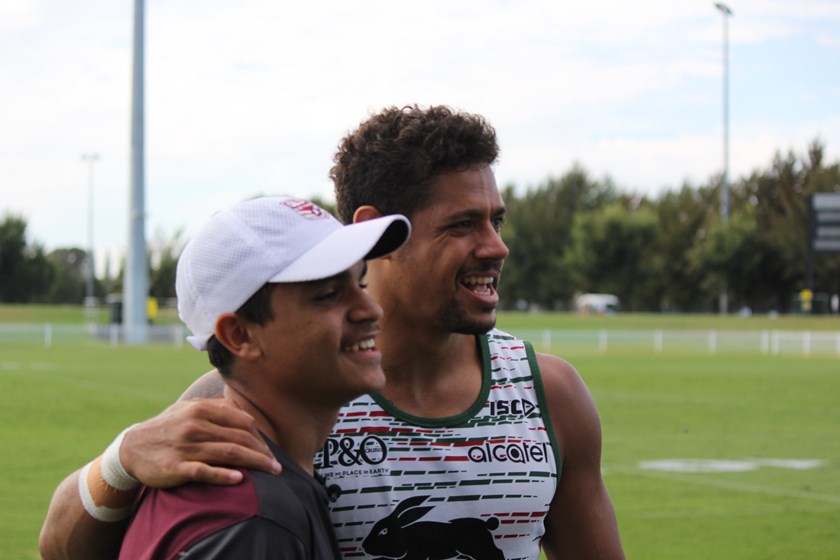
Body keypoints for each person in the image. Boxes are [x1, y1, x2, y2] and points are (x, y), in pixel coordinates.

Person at [41, 105, 625, 559]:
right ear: (379, 232)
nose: (496, 246)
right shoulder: (258, 404)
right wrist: (119, 459)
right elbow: (61, 546)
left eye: (496, 221)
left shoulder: (549, 394)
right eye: (462, 224)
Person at [73, 195, 409, 559]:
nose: (371, 309)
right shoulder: (253, 522)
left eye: (359, 284)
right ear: (240, 336)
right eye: (328, 295)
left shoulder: (258, 488)